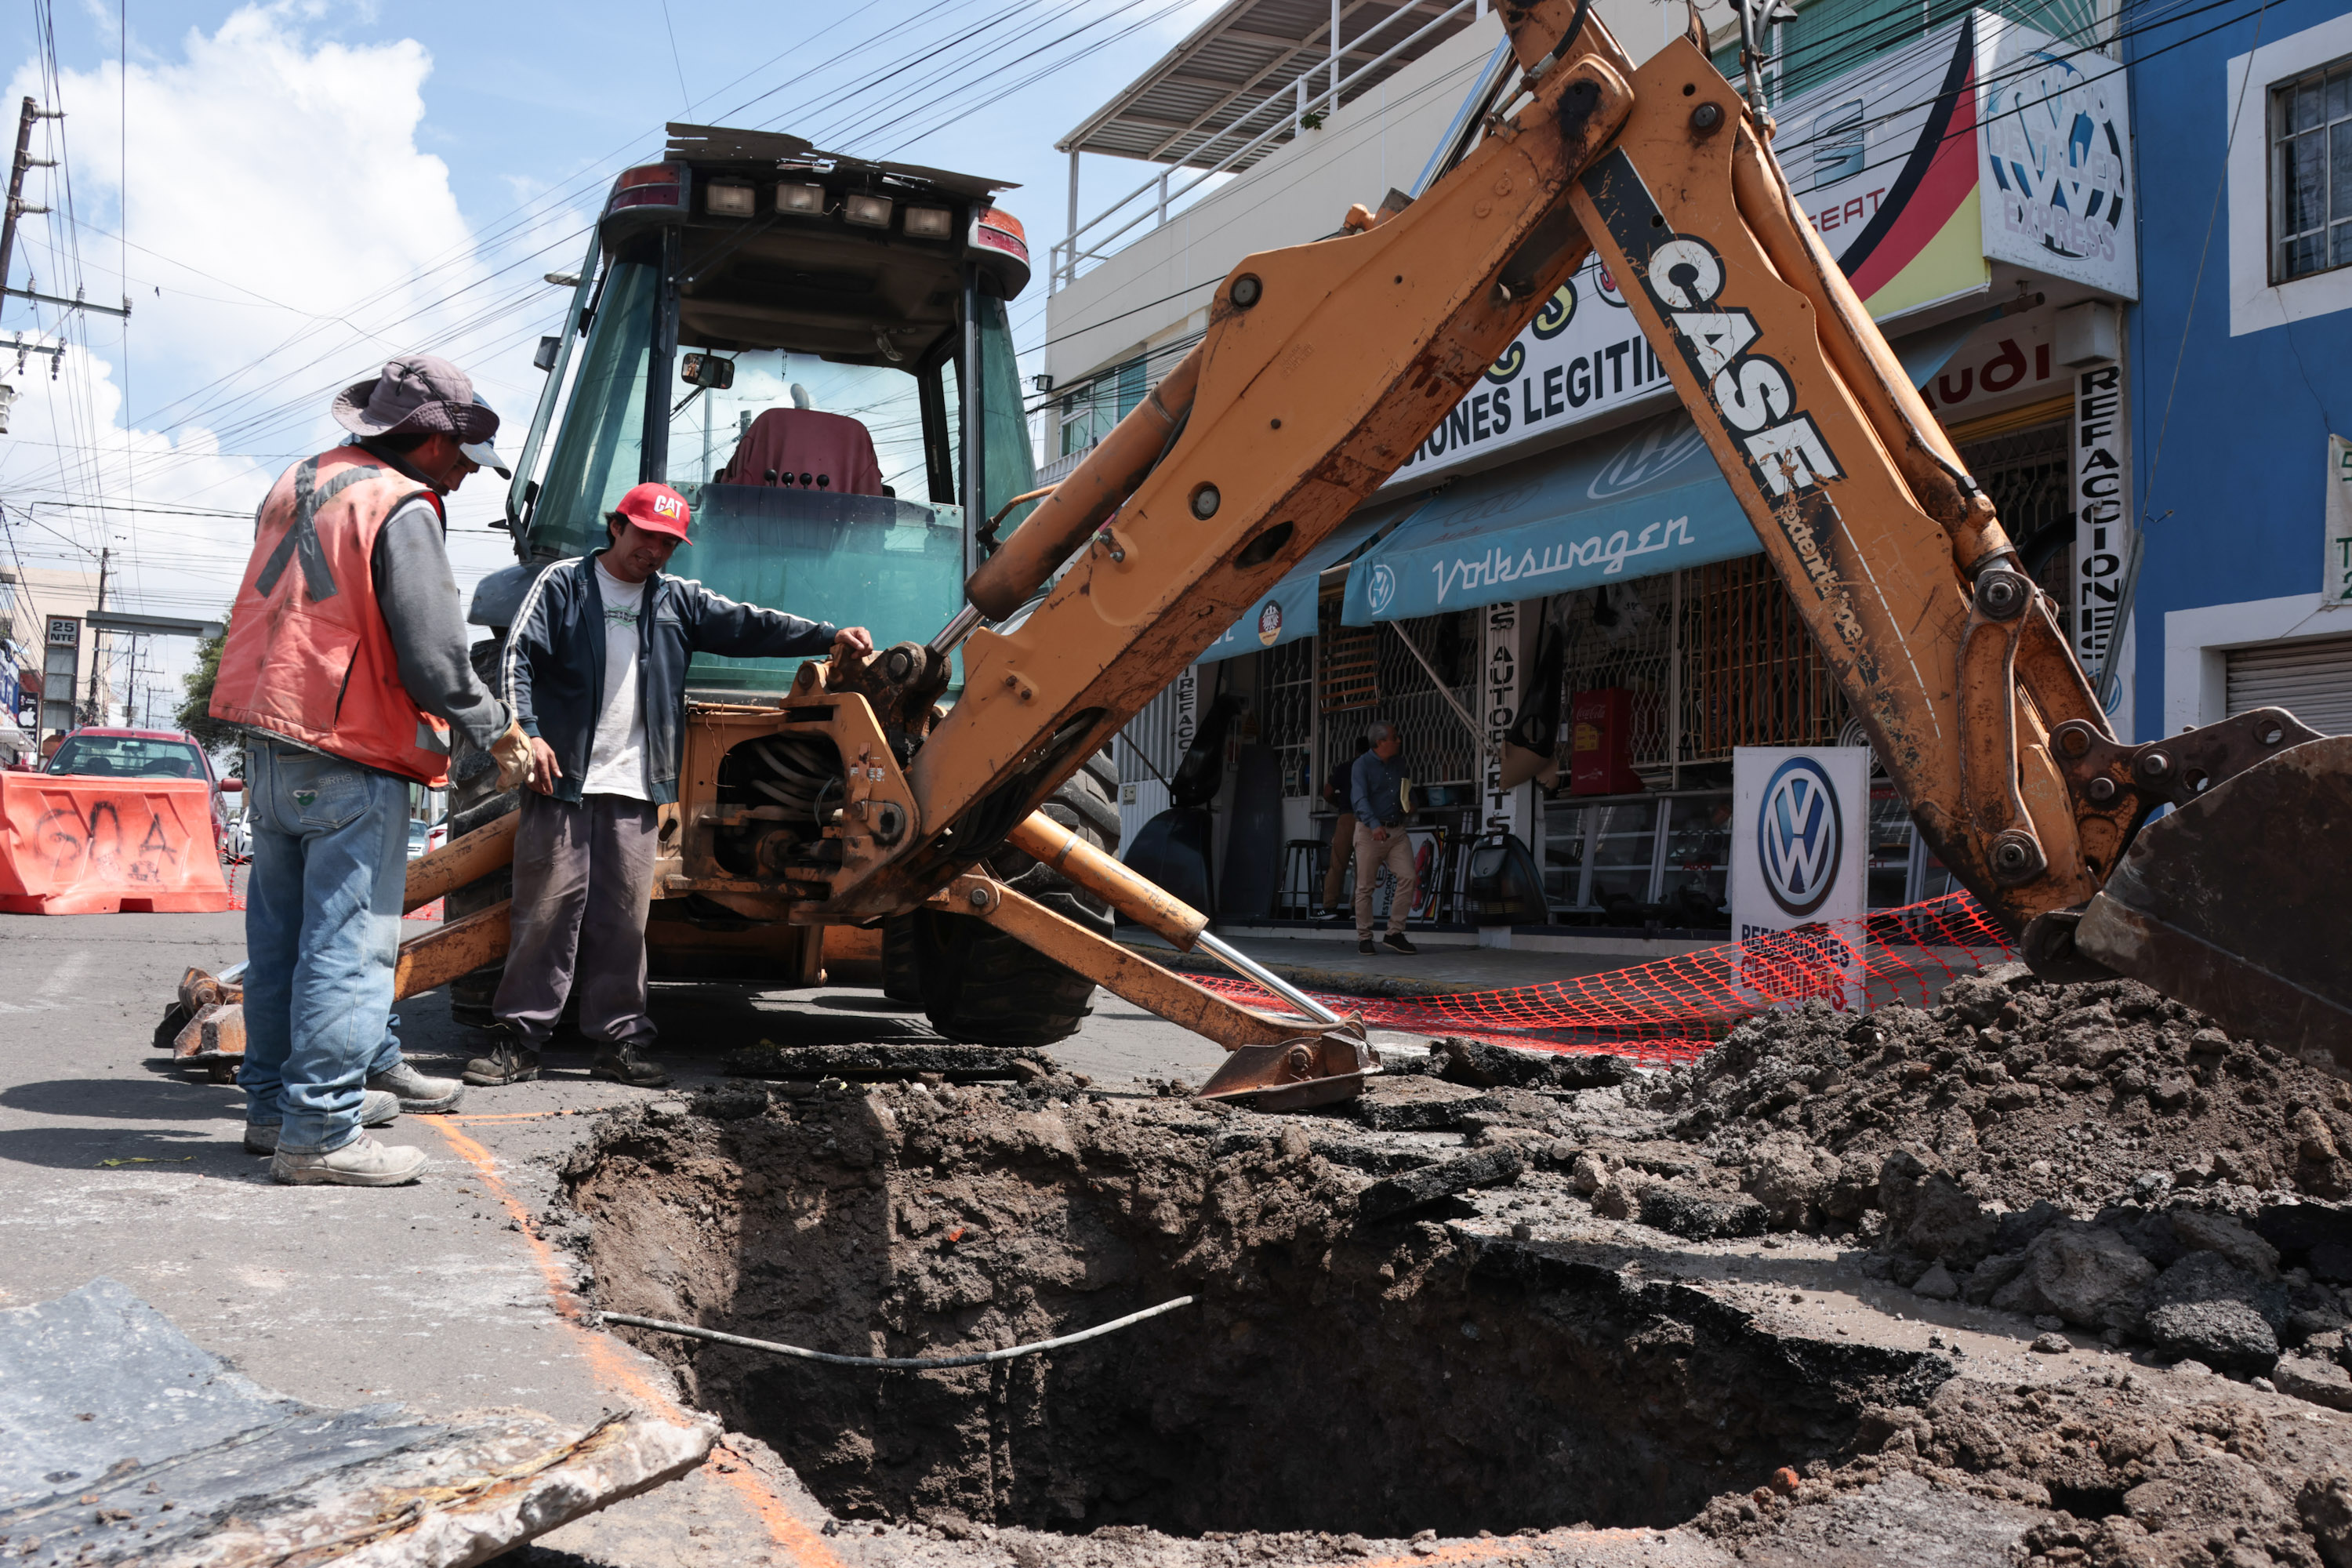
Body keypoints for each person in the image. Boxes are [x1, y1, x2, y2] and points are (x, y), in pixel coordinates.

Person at [209, 355, 534, 1187]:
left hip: (271, 735)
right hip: (352, 746)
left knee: (280, 941)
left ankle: (274, 1108)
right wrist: (498, 731)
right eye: (462, 457)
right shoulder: (402, 504)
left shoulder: (299, 479)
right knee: (348, 946)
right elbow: (433, 656)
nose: (465, 477)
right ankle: (320, 1132)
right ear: (426, 440)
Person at [463, 482, 874, 1089]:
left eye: (668, 544)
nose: (654, 552)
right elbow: (517, 657)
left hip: (635, 787)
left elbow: (749, 626)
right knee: (546, 915)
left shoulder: (677, 601)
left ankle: (619, 1040)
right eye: (647, 536)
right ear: (617, 527)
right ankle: (520, 1038)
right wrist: (528, 732)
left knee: (624, 923)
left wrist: (827, 636)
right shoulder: (562, 585)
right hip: (562, 782)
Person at [1349, 720, 1418, 956]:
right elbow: (1359, 798)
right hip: (1370, 831)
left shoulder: (1399, 764)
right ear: (1380, 742)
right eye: (1394, 737)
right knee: (1365, 887)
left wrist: (1411, 805)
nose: (1398, 740)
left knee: (1409, 876)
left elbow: (1407, 790)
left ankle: (1394, 933)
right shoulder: (1362, 765)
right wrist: (1374, 824)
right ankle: (1365, 937)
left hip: (1396, 830)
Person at [1318, 735, 1370, 919]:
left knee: (1338, 864)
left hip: (1347, 817)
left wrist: (1339, 803)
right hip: (1368, 819)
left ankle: (1330, 907)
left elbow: (1327, 792)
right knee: (1362, 867)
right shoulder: (1375, 768)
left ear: (1355, 750)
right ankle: (1357, 909)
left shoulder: (1346, 767)